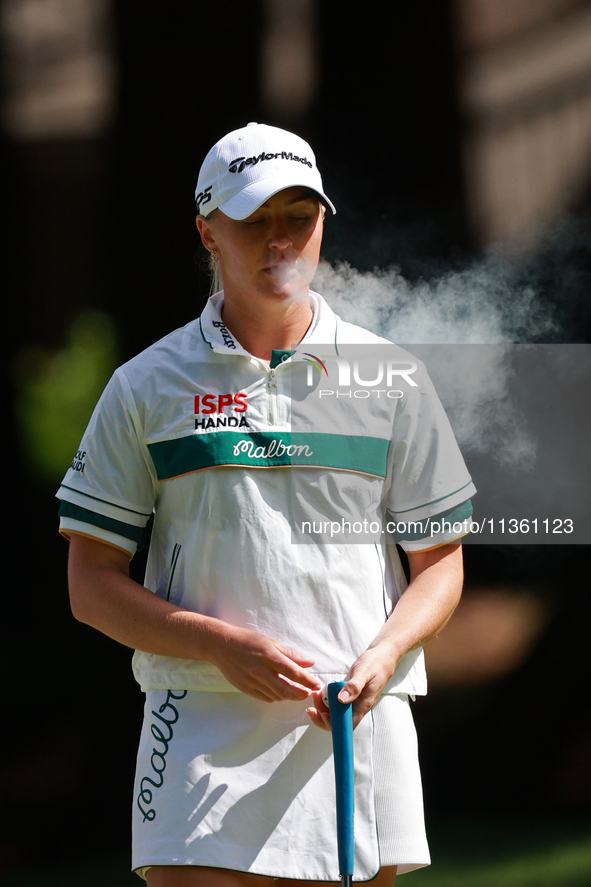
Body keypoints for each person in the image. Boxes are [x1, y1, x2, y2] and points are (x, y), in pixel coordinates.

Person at [58, 122, 476, 886]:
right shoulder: (146, 386)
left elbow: (439, 563)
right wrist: (218, 644)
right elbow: (90, 584)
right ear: (207, 232)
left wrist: (384, 654)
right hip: (201, 728)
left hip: (354, 724)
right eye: (253, 219)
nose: (279, 239)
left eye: (299, 216)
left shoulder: (393, 379)